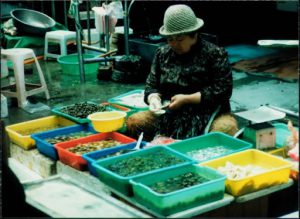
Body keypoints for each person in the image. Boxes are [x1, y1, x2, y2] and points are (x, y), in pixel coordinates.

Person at [127, 4, 237, 141]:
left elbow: (223, 90)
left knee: (226, 128)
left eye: (179, 39)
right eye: (170, 39)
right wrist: (154, 99)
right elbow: (152, 85)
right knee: (134, 122)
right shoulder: (162, 54)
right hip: (170, 113)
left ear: (194, 35)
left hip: (206, 111)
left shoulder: (215, 54)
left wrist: (186, 99)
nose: (174, 44)